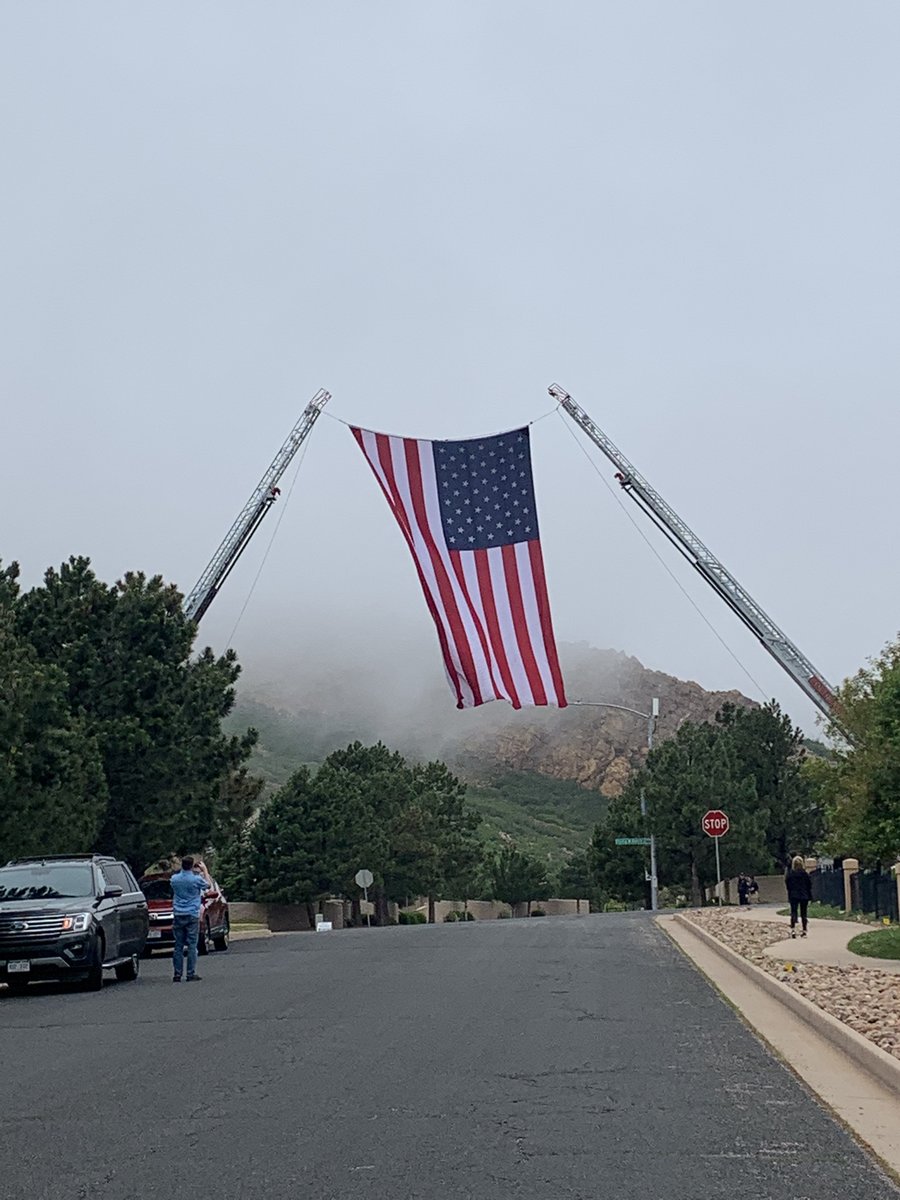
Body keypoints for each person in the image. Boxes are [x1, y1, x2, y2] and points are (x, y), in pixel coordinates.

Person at [170, 856, 208, 982]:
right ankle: (190, 973)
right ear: (192, 866)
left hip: (178, 913)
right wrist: (204, 871)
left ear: (182, 865)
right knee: (192, 944)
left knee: (178, 945)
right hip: (192, 914)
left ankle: (177, 973)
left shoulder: (175, 879)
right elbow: (207, 886)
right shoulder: (196, 879)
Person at [784, 855, 813, 938]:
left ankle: (793, 930)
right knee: (804, 914)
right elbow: (809, 885)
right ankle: (804, 931)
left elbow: (787, 885)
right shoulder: (805, 874)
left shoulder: (790, 875)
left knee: (793, 912)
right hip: (804, 895)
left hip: (793, 895)